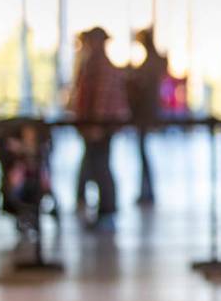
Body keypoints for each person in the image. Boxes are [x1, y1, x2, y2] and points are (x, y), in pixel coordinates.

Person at [68, 27, 129, 231]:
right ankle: (98, 209)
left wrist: (95, 125)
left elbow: (101, 100)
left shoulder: (100, 66)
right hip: (94, 125)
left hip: (101, 126)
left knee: (101, 168)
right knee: (95, 165)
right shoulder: (91, 64)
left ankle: (107, 212)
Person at [127, 29, 167, 206]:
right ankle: (146, 191)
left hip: (145, 114)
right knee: (142, 154)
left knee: (143, 154)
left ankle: (147, 191)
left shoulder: (150, 63)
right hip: (146, 114)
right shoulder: (153, 62)